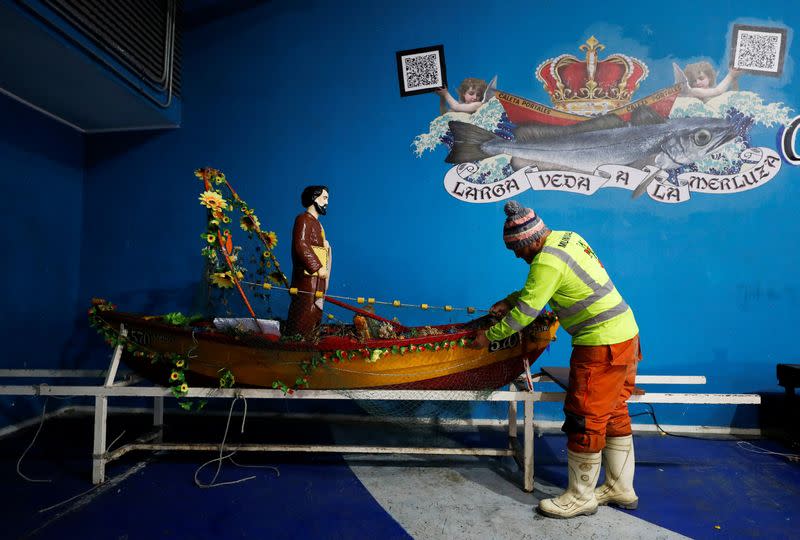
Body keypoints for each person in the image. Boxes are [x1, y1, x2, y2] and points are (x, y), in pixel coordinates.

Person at [470, 200, 642, 519]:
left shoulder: (545, 261)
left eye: (517, 250)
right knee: (614, 409)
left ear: (531, 241)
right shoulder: (567, 237)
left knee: (585, 416)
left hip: (601, 345)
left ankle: (580, 496)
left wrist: (488, 336)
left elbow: (526, 313)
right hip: (626, 335)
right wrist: (510, 300)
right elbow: (545, 286)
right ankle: (621, 488)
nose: (517, 256)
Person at [284, 185, 331, 338]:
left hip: (317, 279)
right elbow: (301, 245)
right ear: (314, 198)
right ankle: (297, 340)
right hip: (306, 278)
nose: (326, 202)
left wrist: (325, 246)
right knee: (305, 309)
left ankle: (311, 338)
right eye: (324, 198)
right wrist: (317, 267)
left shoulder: (317, 223)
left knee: (315, 311)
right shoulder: (303, 219)